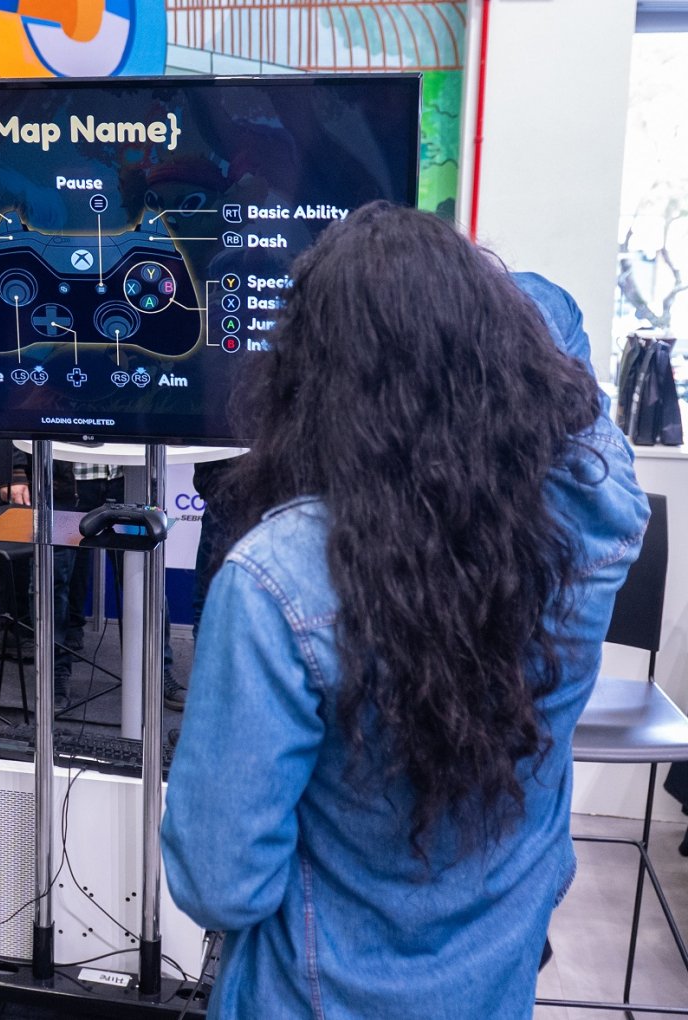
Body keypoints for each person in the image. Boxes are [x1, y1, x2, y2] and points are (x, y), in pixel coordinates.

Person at [161, 202, 649, 1019]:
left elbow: (221, 883)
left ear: (310, 382)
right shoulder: (585, 539)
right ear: (495, 360)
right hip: (495, 994)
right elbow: (558, 325)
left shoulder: (279, 581)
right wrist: (458, 313)